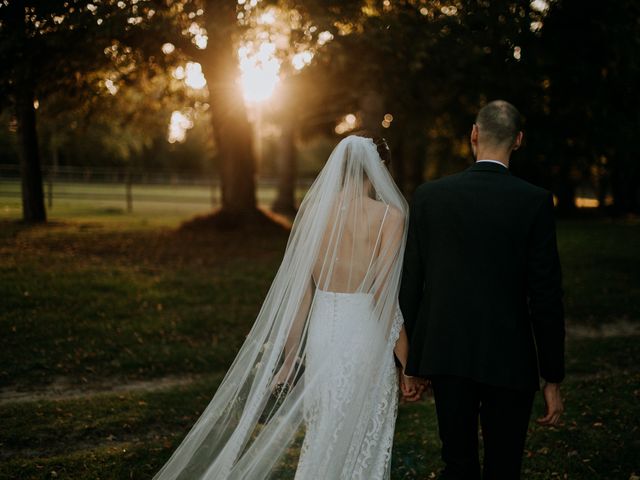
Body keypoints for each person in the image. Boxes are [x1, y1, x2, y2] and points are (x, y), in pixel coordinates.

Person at [153, 135, 416, 480]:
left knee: (323, 432)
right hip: (363, 333)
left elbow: (301, 296)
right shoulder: (390, 217)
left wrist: (292, 357)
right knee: (361, 431)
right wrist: (408, 362)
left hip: (324, 331)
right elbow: (383, 296)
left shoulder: (314, 213)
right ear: (379, 170)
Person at [399, 100, 566, 480]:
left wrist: (410, 363)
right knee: (503, 467)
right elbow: (546, 296)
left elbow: (411, 284)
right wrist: (551, 377)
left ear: (474, 134)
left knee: (457, 464)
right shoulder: (534, 201)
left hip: (447, 353)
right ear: (518, 140)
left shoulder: (429, 196)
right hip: (510, 357)